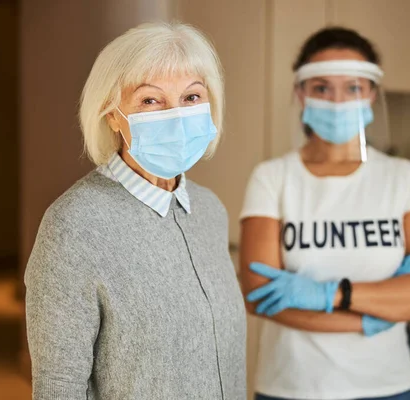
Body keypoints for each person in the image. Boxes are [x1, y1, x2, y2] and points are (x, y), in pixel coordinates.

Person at [25, 22, 246, 400]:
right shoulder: (74, 225)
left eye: (191, 97)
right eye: (150, 100)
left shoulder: (210, 210)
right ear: (112, 115)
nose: (177, 115)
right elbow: (58, 387)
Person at [240, 27, 410, 400]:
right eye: (321, 87)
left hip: (387, 387)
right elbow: (258, 294)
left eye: (353, 87)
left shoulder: (405, 178)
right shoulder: (272, 178)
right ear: (300, 94)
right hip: (292, 387)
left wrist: (332, 294)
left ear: (371, 94)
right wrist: (375, 314)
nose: (337, 101)